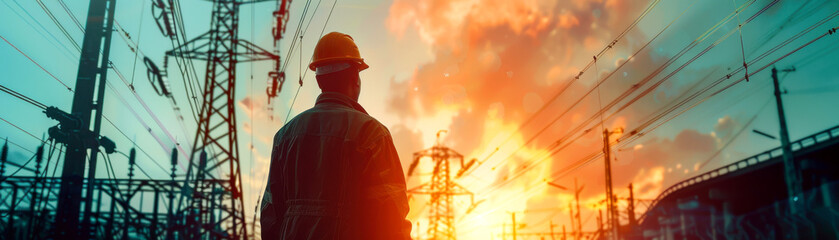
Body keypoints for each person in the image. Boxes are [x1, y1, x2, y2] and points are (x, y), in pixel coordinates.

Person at [260, 32, 412, 240]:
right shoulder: (372, 134)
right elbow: (391, 217)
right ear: (354, 78)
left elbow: (270, 214)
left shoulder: (284, 137)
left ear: (318, 79)